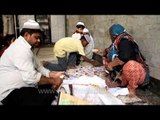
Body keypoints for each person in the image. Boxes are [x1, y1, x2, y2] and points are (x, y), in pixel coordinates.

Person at [0, 19, 64, 105]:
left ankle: (49, 91)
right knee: (47, 95)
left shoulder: (27, 47)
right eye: (36, 37)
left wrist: (52, 75)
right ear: (26, 35)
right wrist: (53, 81)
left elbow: (39, 67)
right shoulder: (20, 49)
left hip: (24, 86)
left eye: (39, 38)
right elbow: (31, 77)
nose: (38, 40)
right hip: (10, 92)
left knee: (49, 90)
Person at [103, 24, 150, 97]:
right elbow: (108, 51)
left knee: (130, 65)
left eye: (110, 35)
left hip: (137, 74)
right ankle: (119, 81)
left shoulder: (125, 41)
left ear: (114, 35)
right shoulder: (117, 42)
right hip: (123, 73)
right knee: (106, 55)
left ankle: (132, 89)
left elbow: (124, 57)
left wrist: (111, 64)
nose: (110, 37)